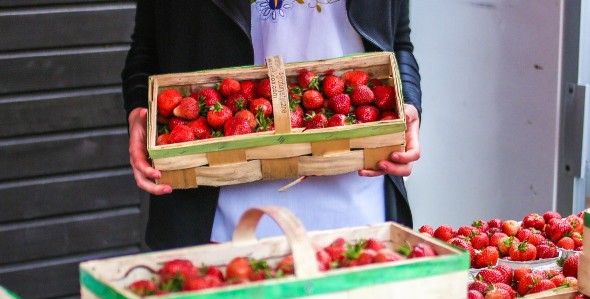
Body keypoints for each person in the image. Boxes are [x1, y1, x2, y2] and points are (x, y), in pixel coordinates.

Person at [122, 0, 422, 250]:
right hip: (216, 199)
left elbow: (397, 40)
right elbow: (148, 47)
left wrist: (408, 103)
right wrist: (139, 110)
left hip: (354, 192)